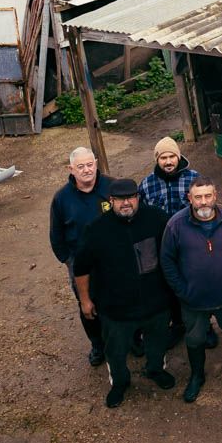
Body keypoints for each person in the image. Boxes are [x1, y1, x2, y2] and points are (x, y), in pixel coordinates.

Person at [72, 178, 176, 408]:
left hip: (155, 302)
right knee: (116, 350)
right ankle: (119, 382)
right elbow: (81, 268)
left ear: (138, 197)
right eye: (120, 199)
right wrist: (85, 300)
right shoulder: (96, 229)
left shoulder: (157, 219)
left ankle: (156, 369)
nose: (126, 203)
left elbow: (174, 251)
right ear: (111, 202)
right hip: (114, 307)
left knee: (157, 342)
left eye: (130, 197)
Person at [160, 178, 222, 402]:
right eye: (198, 197)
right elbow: (167, 261)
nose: (203, 202)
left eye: (208, 196)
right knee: (195, 338)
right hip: (193, 299)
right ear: (189, 198)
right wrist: (182, 290)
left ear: (216, 195)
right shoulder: (175, 225)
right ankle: (197, 375)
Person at [139, 135, 211, 350]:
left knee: (198, 283)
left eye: (172, 156)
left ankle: (205, 327)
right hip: (163, 247)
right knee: (171, 286)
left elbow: (208, 209)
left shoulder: (194, 179)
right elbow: (143, 215)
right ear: (157, 159)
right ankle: (179, 324)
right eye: (163, 157)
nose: (168, 161)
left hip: (191, 244)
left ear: (178, 157)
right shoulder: (147, 184)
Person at [48, 146, 108, 366]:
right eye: (80, 166)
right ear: (71, 169)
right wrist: (70, 262)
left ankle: (132, 339)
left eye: (90, 164)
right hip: (81, 265)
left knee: (121, 297)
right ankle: (98, 344)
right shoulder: (61, 199)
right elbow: (56, 237)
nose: (86, 170)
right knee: (88, 305)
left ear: (96, 163)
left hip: (112, 258)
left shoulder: (111, 187)